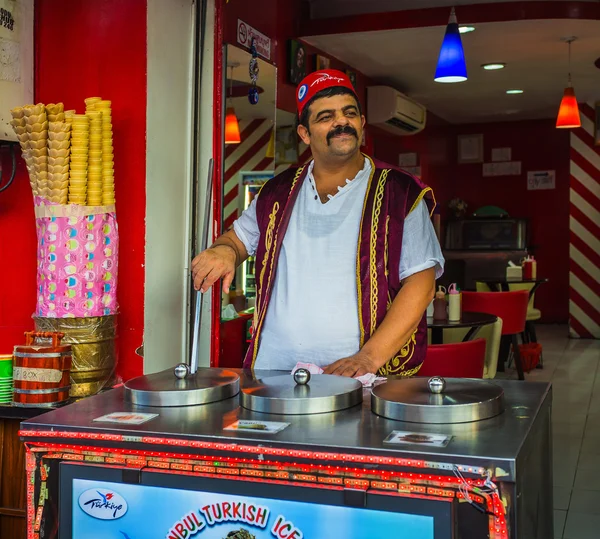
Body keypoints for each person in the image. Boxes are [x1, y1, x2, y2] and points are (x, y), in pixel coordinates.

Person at [192, 70, 444, 378]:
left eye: (349, 113)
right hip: (273, 371)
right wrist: (224, 252)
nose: (341, 122)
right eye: (326, 116)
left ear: (362, 125)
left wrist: (368, 358)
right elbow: (236, 241)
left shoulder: (399, 192)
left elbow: (421, 284)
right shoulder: (277, 192)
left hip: (359, 378)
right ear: (304, 133)